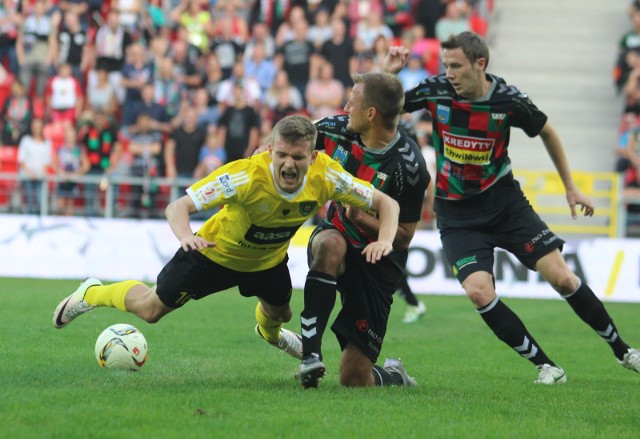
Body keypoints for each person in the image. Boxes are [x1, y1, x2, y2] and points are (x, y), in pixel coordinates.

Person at [385, 31, 640, 384]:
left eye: (456, 66)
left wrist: (570, 187)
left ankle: (624, 351)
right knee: (478, 291)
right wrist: (390, 73)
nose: (450, 74)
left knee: (563, 278)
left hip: (505, 205)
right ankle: (547, 366)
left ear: (480, 64)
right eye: (446, 66)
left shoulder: (508, 100)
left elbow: (547, 130)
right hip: (457, 215)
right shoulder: (436, 90)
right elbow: (385, 106)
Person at [52, 116, 400, 370]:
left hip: (266, 262)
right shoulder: (245, 176)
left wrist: (385, 239)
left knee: (281, 313)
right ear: (271, 150)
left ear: (312, 156)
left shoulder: (327, 175)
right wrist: (187, 236)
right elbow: (178, 207)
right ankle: (91, 293)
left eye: (298, 157)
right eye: (282, 155)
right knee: (150, 310)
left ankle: (272, 335)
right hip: (212, 255)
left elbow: (387, 204)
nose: (289, 164)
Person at [293, 72, 430, 388]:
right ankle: (311, 357)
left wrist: (361, 218)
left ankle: (394, 375)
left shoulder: (409, 167)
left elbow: (406, 236)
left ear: (371, 114)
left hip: (378, 263)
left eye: (351, 102)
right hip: (339, 235)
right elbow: (292, 139)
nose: (345, 106)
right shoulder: (338, 130)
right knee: (329, 244)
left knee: (354, 379)